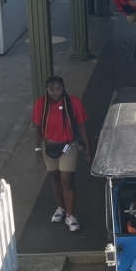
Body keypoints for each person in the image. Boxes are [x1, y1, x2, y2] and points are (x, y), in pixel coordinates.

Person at [33, 76, 92, 232]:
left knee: (67, 180)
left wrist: (88, 146)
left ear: (63, 88)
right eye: (51, 89)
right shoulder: (41, 104)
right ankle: (60, 207)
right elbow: (38, 128)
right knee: (55, 178)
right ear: (47, 90)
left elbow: (82, 125)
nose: (55, 92)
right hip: (49, 146)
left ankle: (70, 215)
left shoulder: (73, 102)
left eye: (58, 89)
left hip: (68, 145)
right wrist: (37, 149)